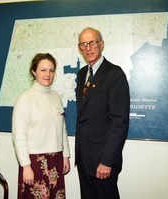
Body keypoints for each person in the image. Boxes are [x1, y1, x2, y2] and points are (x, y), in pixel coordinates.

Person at [75, 27, 130, 199]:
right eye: (83, 44)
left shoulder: (114, 74)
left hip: (103, 160)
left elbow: (119, 122)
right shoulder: (82, 73)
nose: (88, 48)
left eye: (92, 42)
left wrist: (107, 160)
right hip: (84, 157)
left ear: (101, 44)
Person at [12, 53, 71, 199]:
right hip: (34, 163)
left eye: (51, 70)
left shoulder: (56, 97)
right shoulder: (25, 99)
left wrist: (65, 156)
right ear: (34, 72)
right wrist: (26, 166)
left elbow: (62, 129)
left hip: (56, 159)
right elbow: (19, 136)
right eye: (43, 70)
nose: (48, 74)